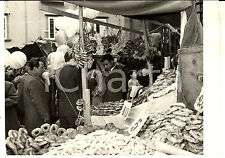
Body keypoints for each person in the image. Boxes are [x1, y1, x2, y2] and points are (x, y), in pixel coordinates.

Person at [18, 58, 50, 134]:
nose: (43, 70)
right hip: (37, 117)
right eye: (41, 67)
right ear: (35, 68)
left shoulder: (25, 79)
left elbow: (19, 98)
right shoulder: (33, 81)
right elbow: (38, 101)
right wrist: (46, 116)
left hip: (29, 115)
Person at [55, 52, 81, 129]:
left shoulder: (58, 71)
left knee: (64, 131)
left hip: (62, 107)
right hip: (73, 106)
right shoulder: (75, 71)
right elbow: (82, 86)